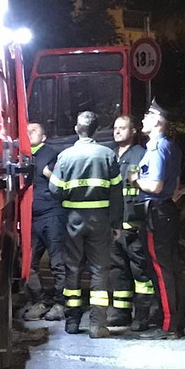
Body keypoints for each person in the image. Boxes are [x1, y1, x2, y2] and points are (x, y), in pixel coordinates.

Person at [49, 111, 123, 338]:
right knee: (100, 270)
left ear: (76, 129)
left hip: (73, 219)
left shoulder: (65, 156)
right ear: (97, 130)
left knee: (72, 269)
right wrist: (116, 223)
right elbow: (116, 192)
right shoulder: (108, 154)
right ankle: (97, 325)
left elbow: (54, 189)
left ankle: (72, 322)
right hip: (100, 220)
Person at [131, 100, 185, 340]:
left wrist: (135, 180)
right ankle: (178, 322)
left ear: (157, 121)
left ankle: (168, 325)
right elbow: (176, 185)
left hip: (156, 212)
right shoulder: (171, 146)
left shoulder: (156, 148)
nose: (143, 119)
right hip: (167, 210)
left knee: (161, 270)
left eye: (147, 115)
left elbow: (155, 186)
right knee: (171, 268)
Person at [108, 115, 156, 330]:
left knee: (141, 272)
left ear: (133, 131)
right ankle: (121, 313)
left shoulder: (141, 155)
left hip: (134, 224)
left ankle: (143, 315)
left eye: (122, 128)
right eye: (115, 128)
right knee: (117, 271)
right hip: (114, 226)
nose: (117, 131)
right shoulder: (109, 155)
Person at [21, 122, 68, 322]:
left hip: (52, 215)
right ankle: (41, 300)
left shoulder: (50, 155)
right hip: (30, 218)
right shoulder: (20, 156)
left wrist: (50, 174)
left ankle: (61, 303)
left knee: (57, 263)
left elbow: (60, 182)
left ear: (44, 137)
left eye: (34, 130)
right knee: (27, 263)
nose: (29, 132)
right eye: (27, 130)